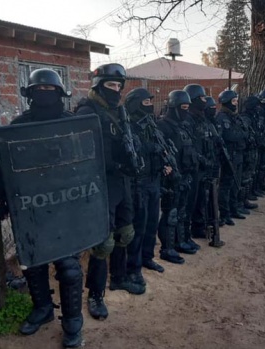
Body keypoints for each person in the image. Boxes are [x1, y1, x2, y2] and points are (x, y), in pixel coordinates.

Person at [0, 68, 83, 348]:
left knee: (69, 268)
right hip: (31, 207)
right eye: (40, 91)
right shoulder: (20, 125)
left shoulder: (74, 125)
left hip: (66, 206)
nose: (45, 96)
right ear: (30, 95)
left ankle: (72, 321)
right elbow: (5, 165)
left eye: (50, 91)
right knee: (33, 261)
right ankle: (42, 309)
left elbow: (87, 165)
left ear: (60, 94)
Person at [75, 63, 144, 321]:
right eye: (110, 85)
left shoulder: (120, 110)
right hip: (100, 183)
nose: (115, 90)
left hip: (122, 181)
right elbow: (83, 153)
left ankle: (119, 278)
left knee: (125, 233)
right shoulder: (87, 110)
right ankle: (95, 294)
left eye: (118, 86)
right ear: (98, 85)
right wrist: (114, 163)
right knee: (103, 243)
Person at [124, 88, 172, 282]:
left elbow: (160, 148)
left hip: (154, 180)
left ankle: (147, 258)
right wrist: (150, 148)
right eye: (146, 102)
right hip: (138, 183)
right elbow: (132, 152)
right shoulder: (128, 125)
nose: (150, 105)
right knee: (139, 227)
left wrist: (165, 163)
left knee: (152, 222)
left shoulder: (151, 124)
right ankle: (133, 268)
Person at [157, 90, 199, 262]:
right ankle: (167, 248)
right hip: (171, 178)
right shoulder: (162, 125)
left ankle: (180, 241)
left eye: (188, 107)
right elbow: (160, 151)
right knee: (170, 213)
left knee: (182, 212)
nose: (186, 111)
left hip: (184, 175)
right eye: (183, 107)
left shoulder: (184, 125)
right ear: (173, 107)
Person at [182, 84, 217, 246]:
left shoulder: (201, 117)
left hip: (204, 166)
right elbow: (191, 146)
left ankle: (199, 226)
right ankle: (187, 233)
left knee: (202, 198)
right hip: (194, 167)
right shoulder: (188, 119)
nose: (205, 101)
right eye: (202, 98)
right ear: (194, 99)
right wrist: (203, 160)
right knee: (191, 201)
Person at [215, 90, 247, 226]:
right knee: (226, 186)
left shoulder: (234, 116)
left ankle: (234, 208)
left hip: (238, 154)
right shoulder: (222, 117)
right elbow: (229, 136)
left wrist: (240, 134)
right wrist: (240, 134)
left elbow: (243, 132)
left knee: (235, 184)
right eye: (234, 101)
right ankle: (225, 213)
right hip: (229, 156)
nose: (236, 104)